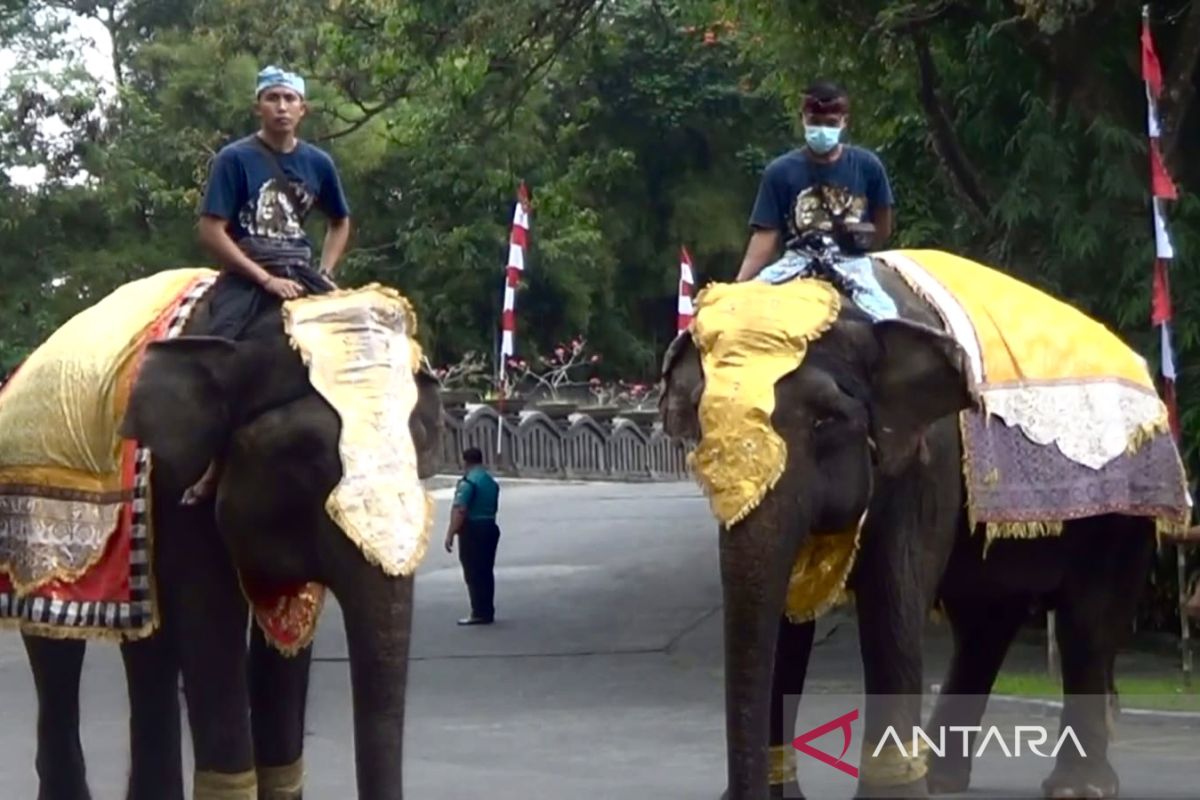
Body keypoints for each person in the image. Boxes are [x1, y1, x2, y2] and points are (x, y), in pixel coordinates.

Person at [181, 65, 352, 505]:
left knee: (358, 340)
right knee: (218, 355)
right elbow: (211, 231)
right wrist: (264, 279)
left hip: (302, 269)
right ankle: (213, 462)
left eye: (289, 99)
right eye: (272, 98)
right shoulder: (234, 159)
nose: (281, 107)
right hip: (249, 270)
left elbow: (340, 220)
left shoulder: (318, 163)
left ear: (303, 108)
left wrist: (327, 270)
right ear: (258, 105)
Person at [735, 80, 894, 283]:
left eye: (830, 123)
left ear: (844, 122)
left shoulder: (867, 166)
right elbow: (765, 235)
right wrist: (740, 283)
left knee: (882, 311)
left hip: (853, 262)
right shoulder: (780, 172)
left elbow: (883, 225)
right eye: (815, 122)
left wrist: (863, 248)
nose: (822, 129)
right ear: (803, 119)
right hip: (796, 261)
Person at [444, 448, 502, 625]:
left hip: (473, 530)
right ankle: (487, 610)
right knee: (486, 571)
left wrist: (450, 534)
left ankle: (478, 611)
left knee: (473, 572)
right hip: (490, 526)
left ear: (465, 461)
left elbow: (460, 509)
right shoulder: (490, 481)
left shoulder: (468, 482)